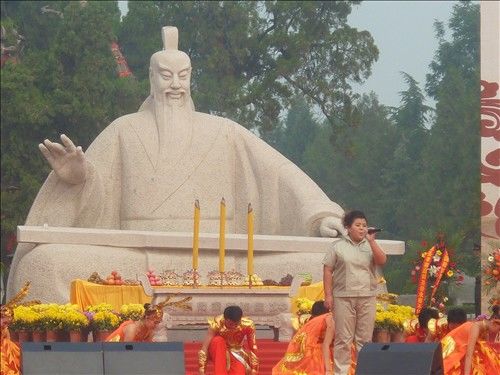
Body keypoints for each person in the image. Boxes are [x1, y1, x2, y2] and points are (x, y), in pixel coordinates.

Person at [8, 26, 345, 303]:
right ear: (151, 79)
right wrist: (77, 179)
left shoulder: (223, 131)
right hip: (137, 259)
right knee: (45, 264)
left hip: (226, 261)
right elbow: (98, 188)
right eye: (166, 76)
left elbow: (280, 174)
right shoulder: (124, 129)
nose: (175, 85)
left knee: (334, 262)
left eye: (183, 76)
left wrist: (321, 215)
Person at [322, 210, 387, 375]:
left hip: (367, 296)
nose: (362, 228)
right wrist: (328, 295)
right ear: (348, 227)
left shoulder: (369, 245)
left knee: (365, 340)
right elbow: (328, 270)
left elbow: (382, 261)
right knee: (343, 339)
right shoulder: (337, 246)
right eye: (357, 225)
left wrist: (372, 242)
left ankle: (365, 371)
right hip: (343, 297)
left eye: (364, 225)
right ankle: (341, 372)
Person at [272, 300, 335, 375]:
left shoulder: (306, 321)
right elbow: (326, 344)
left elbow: (294, 339)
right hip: (322, 354)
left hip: (307, 353)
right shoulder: (329, 319)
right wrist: (328, 370)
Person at [198, 305, 258, 375]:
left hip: (236, 352)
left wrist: (254, 369)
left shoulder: (248, 325)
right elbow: (204, 347)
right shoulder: (216, 323)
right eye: (230, 324)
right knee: (218, 340)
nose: (233, 326)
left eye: (236, 324)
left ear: (240, 319)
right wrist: (202, 370)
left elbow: (253, 347)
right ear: (225, 319)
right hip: (218, 350)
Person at [441, 305, 500, 375]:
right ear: (494, 322)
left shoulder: (484, 330)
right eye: (499, 329)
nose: (497, 332)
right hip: (451, 354)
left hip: (462, 354)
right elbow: (469, 355)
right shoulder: (475, 327)